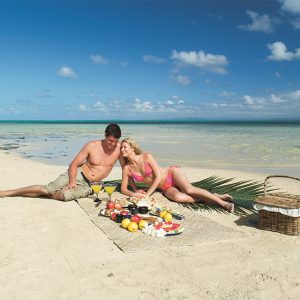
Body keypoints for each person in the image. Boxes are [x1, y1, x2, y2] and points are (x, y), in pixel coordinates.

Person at [0, 124, 122, 201]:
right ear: (105, 136)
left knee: (64, 196)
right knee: (49, 188)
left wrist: (133, 187)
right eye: (110, 140)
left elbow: (126, 168)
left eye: (115, 141)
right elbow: (73, 164)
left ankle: (43, 192)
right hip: (77, 174)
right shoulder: (92, 145)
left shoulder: (119, 149)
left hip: (90, 185)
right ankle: (9, 192)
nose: (112, 144)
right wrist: (72, 181)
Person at [120, 138, 234, 213]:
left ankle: (224, 204)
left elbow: (159, 176)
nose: (122, 149)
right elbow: (124, 188)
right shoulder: (127, 168)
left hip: (171, 174)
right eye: (121, 147)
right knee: (178, 198)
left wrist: (148, 194)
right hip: (165, 187)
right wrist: (134, 192)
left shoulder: (146, 156)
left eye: (124, 147)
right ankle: (213, 196)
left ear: (132, 148)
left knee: (189, 190)